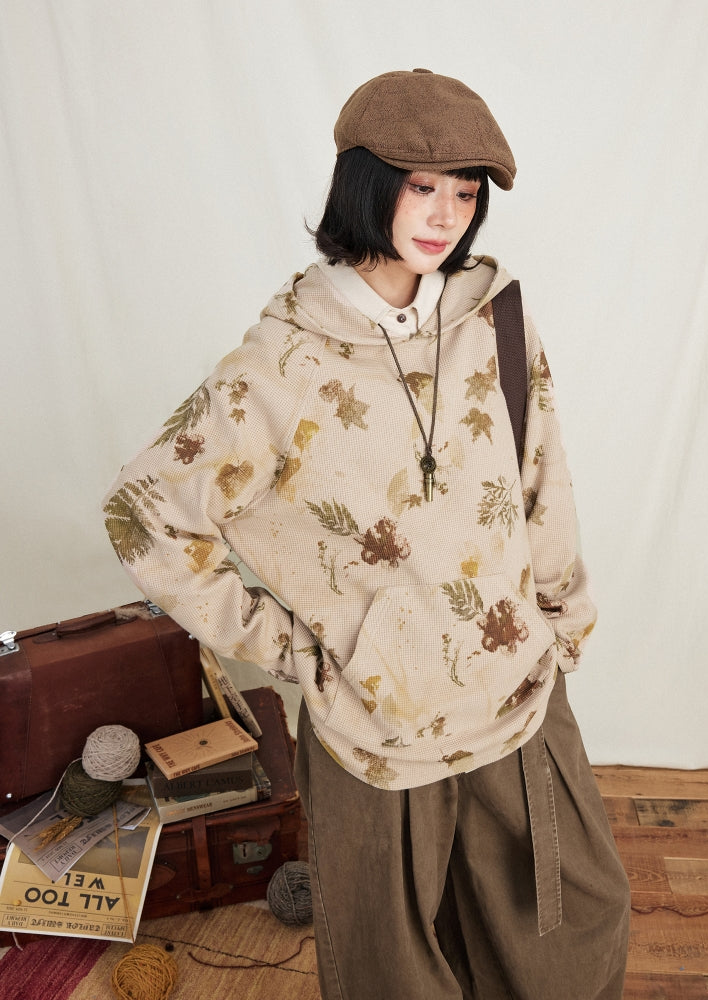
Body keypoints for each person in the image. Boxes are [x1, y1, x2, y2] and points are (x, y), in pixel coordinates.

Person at [103, 68, 630, 999]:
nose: (446, 216)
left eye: (465, 191)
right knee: (395, 974)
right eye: (422, 186)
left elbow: (541, 478)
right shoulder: (285, 360)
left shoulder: (496, 319)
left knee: (569, 936)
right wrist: (294, 647)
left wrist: (562, 622)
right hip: (375, 731)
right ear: (366, 182)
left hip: (516, 694)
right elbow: (142, 510)